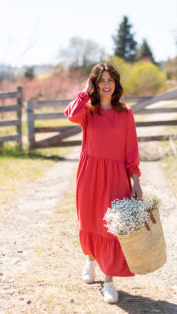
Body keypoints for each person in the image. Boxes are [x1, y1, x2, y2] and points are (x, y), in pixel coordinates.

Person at [64, 63, 142, 303]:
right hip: (90, 174)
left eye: (110, 80)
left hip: (116, 176)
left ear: (116, 83)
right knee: (88, 221)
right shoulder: (87, 111)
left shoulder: (125, 113)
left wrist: (136, 180)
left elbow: (131, 150)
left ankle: (109, 282)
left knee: (111, 228)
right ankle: (89, 259)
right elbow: (70, 114)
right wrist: (86, 92)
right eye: (101, 81)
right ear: (95, 85)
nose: (106, 85)